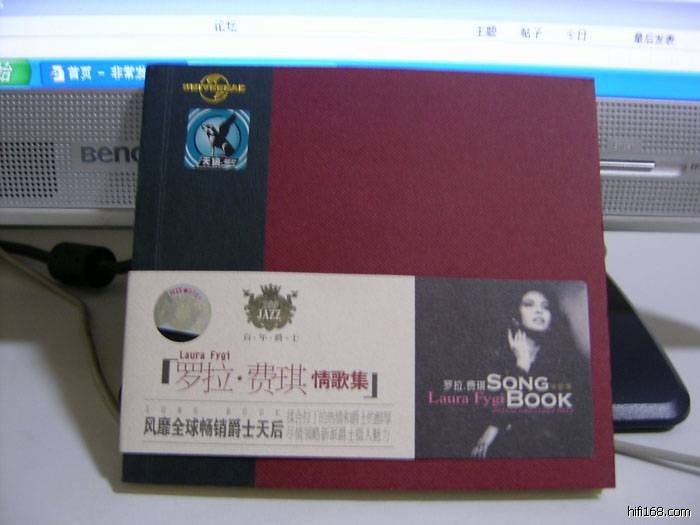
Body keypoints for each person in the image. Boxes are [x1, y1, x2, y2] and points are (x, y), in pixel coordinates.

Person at [470, 287, 591, 459]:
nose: (539, 310)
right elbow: (488, 409)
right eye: (529, 304)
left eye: (545, 306)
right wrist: (521, 364)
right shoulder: (495, 358)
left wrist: (523, 364)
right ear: (515, 316)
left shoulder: (565, 362)